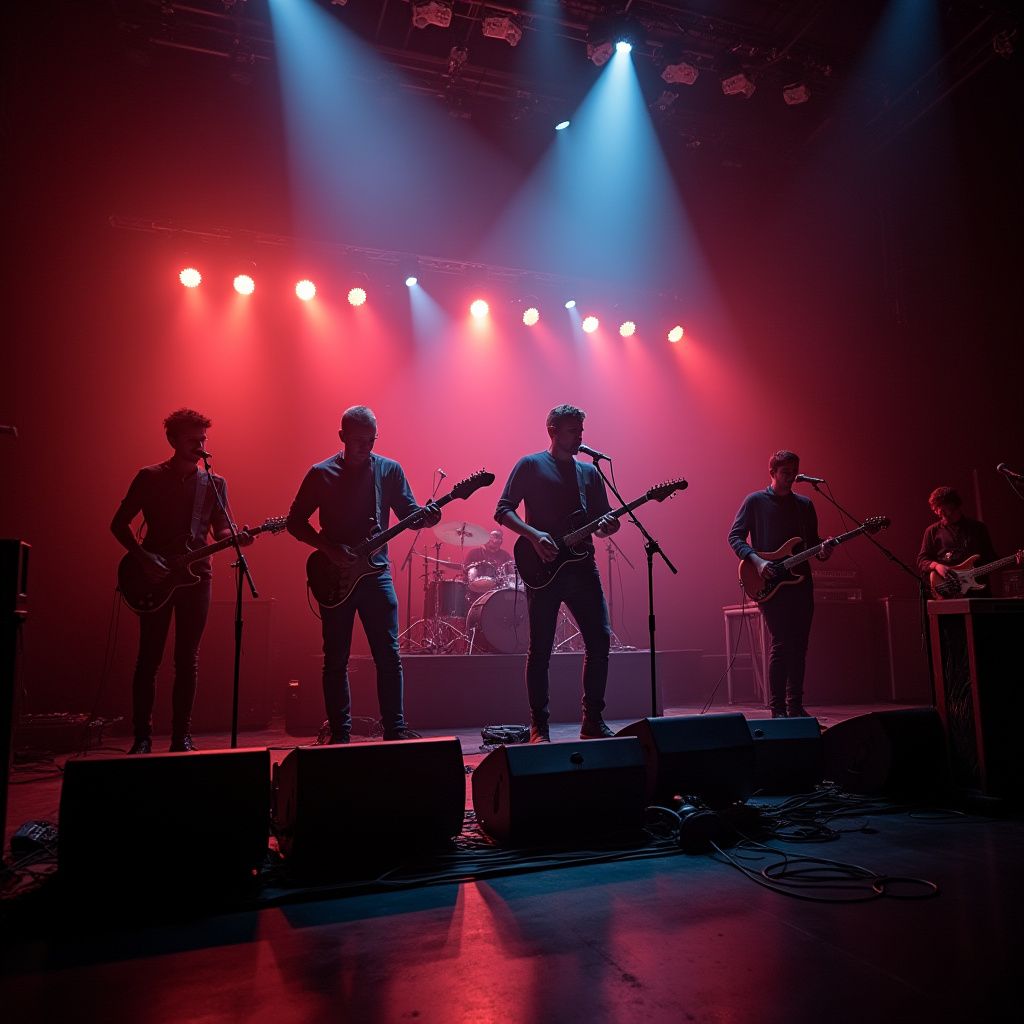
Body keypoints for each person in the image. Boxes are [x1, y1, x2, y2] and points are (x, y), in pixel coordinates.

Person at [287, 406, 440, 744]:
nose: (365, 448)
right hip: (335, 574)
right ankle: (340, 734)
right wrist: (328, 549)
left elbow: (409, 514)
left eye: (371, 441)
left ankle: (394, 731)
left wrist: (426, 518)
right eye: (358, 442)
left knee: (389, 655)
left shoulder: (388, 470)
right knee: (336, 658)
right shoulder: (321, 473)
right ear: (342, 437)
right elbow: (294, 522)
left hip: (376, 574)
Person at [111, 407, 252, 753]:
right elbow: (119, 524)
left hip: (196, 578)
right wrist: (144, 558)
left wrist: (236, 536)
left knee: (187, 659)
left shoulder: (215, 483)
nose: (201, 445)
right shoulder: (149, 477)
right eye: (193, 439)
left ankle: (181, 737)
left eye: (204, 439)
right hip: (153, 577)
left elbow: (221, 528)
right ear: (173, 440)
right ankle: (142, 736)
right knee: (149, 658)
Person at [494, 404, 620, 743]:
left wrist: (608, 526)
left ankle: (592, 720)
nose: (580, 436)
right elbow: (502, 510)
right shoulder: (531, 465)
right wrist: (534, 536)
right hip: (544, 568)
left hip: (583, 568)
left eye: (581, 430)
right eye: (572, 430)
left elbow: (603, 520)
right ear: (553, 431)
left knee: (600, 640)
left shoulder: (589, 474)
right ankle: (540, 727)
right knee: (541, 650)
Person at [728, 450, 831, 718]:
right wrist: (758, 562)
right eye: (785, 473)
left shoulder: (805, 505)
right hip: (770, 582)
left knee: (801, 644)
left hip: (801, 582)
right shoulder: (755, 501)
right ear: (772, 473)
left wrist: (822, 550)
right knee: (782, 643)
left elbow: (811, 543)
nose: (791, 478)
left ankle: (795, 706)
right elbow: (735, 537)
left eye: (794, 472)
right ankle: (777, 709)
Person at [917, 486, 1000, 596]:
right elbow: (922, 559)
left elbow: (991, 558)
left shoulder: (978, 528)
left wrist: (1013, 561)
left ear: (953, 504)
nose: (938, 512)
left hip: (977, 593)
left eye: (940, 507)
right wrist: (937, 566)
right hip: (949, 591)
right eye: (935, 509)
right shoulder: (932, 531)